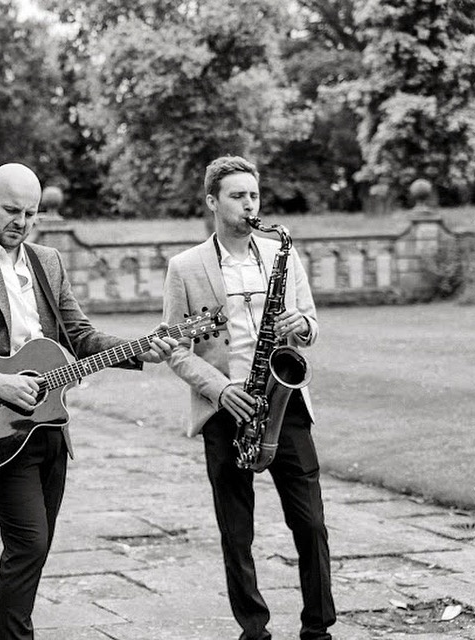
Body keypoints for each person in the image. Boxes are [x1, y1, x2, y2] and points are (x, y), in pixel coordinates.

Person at [0, 162, 176, 640]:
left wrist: (141, 348)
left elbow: (80, 336)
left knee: (35, 546)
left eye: (30, 214)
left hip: (48, 425)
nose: (22, 222)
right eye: (12, 210)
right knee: (28, 544)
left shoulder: (47, 260)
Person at [162, 155, 335, 640]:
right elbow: (175, 349)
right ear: (213, 201)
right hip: (227, 409)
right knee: (237, 532)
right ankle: (254, 631)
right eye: (238, 196)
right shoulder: (185, 267)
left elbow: (311, 324)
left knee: (312, 524)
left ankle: (318, 628)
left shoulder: (283, 252)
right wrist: (221, 389)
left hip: (285, 404)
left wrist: (302, 324)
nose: (249, 204)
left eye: (254, 195)